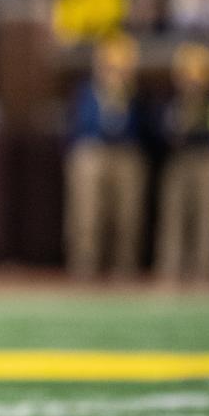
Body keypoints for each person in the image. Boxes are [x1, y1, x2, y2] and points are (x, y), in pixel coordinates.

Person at [62, 34, 149, 280]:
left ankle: (124, 269)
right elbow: (81, 127)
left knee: (127, 218)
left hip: (125, 154)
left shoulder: (135, 96)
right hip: (92, 153)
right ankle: (84, 268)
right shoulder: (85, 92)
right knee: (87, 217)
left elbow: (141, 131)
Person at [153, 42, 209, 284]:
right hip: (179, 162)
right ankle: (170, 273)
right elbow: (163, 135)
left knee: (207, 218)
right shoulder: (170, 103)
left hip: (206, 161)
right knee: (174, 218)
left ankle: (204, 272)